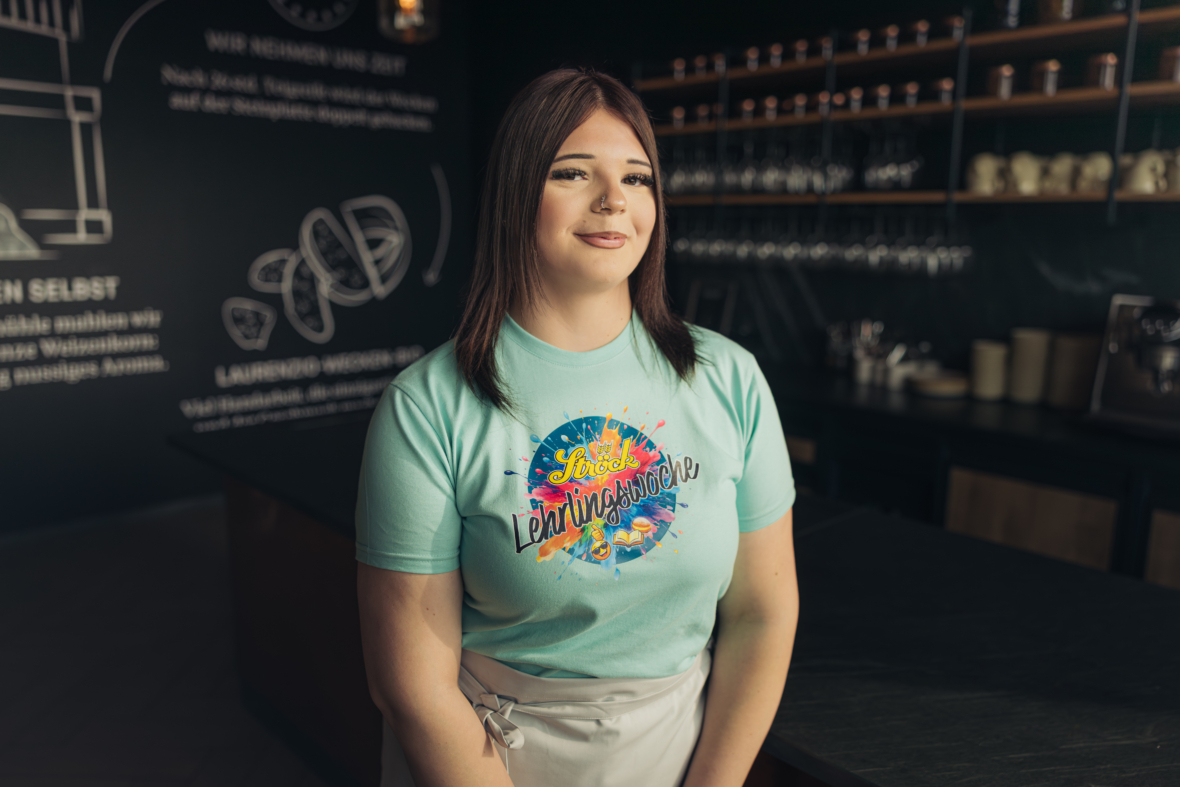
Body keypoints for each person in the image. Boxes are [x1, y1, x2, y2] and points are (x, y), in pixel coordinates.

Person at [355, 68, 799, 787]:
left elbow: (762, 612)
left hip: (679, 750)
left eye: (638, 177)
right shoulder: (427, 406)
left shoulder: (730, 377)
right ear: (515, 194)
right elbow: (409, 685)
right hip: (487, 758)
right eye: (573, 172)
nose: (614, 200)